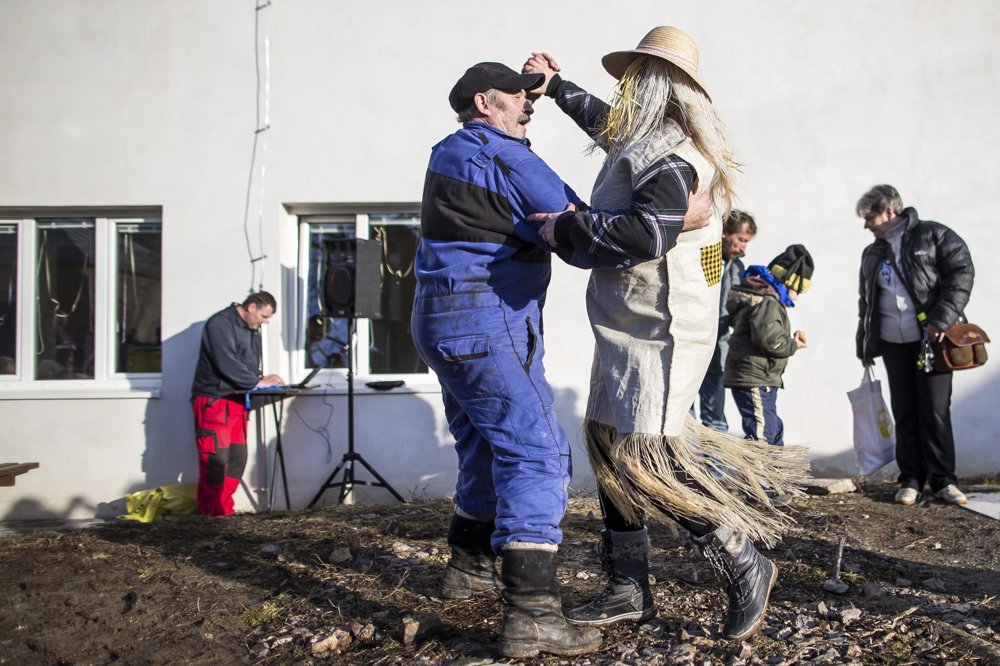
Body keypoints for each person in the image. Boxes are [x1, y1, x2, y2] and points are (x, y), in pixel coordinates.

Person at [524, 26, 806, 641]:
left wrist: (564, 231)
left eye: (635, 77)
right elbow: (609, 128)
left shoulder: (673, 157)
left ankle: (741, 557)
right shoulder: (647, 137)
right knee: (607, 444)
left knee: (646, 457)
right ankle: (629, 587)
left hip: (661, 329)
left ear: (661, 87)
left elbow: (644, 234)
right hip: (626, 323)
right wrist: (555, 89)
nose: (623, 88)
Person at [409, 61, 601, 659]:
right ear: (484, 102)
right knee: (537, 449)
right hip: (486, 316)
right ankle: (533, 612)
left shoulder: (447, 151)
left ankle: (469, 565)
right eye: (517, 97)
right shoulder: (504, 154)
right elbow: (581, 227)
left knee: (484, 443)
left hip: (436, 316)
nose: (528, 104)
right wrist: (678, 221)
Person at [855, 184, 974, 507]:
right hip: (894, 344)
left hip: (931, 341)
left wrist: (941, 318)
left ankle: (943, 481)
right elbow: (866, 302)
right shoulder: (873, 253)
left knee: (934, 411)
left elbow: (962, 272)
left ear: (889, 211)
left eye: (870, 217)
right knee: (904, 411)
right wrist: (864, 345)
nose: (867, 225)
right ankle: (910, 479)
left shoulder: (933, 236)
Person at [191, 291, 285, 516]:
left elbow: (247, 364)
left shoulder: (252, 330)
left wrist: (263, 378)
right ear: (251, 307)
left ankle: (224, 510)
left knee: (236, 459)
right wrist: (256, 381)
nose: (264, 322)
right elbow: (227, 362)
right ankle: (210, 514)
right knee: (215, 461)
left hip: (237, 402)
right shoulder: (220, 324)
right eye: (263, 316)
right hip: (214, 402)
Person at [725, 245, 813, 446]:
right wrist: (793, 344)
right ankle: (759, 476)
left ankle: (775, 476)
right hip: (754, 378)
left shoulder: (768, 300)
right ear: (789, 283)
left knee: (772, 428)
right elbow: (771, 341)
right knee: (762, 434)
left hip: (763, 378)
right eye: (798, 290)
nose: (798, 297)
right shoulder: (769, 302)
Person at [694, 210, 758, 431]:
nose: (743, 247)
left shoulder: (737, 267)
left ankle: (713, 467)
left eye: (746, 242)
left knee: (716, 420)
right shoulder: (700, 255)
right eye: (741, 240)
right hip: (690, 343)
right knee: (684, 416)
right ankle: (683, 465)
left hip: (718, 347)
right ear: (724, 233)